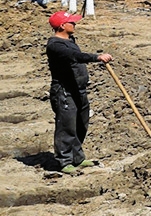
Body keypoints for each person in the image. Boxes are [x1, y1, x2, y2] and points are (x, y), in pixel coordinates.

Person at [45, 10, 111, 172]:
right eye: (71, 22)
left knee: (81, 124)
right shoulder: (55, 45)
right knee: (67, 126)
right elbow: (74, 56)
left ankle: (77, 158)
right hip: (64, 91)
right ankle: (64, 160)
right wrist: (96, 57)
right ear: (62, 25)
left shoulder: (70, 39)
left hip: (78, 89)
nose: (74, 24)